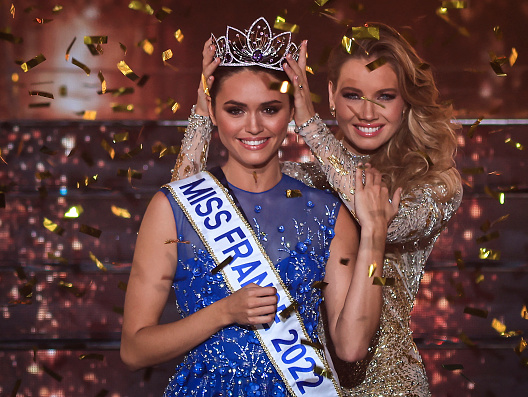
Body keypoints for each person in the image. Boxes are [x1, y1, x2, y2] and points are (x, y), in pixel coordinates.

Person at [173, 21, 462, 397]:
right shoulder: (303, 181)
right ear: (330, 95)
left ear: (405, 100)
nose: (368, 112)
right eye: (353, 95)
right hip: (301, 381)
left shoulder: (434, 183)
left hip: (390, 385)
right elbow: (186, 213)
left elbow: (381, 220)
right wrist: (202, 114)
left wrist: (310, 126)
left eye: (385, 96)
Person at [121, 17, 389, 397]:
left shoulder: (327, 212)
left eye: (269, 109)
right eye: (235, 110)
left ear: (291, 113)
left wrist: (375, 235)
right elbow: (134, 350)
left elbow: (351, 346)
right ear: (212, 113)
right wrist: (223, 313)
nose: (253, 126)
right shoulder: (172, 209)